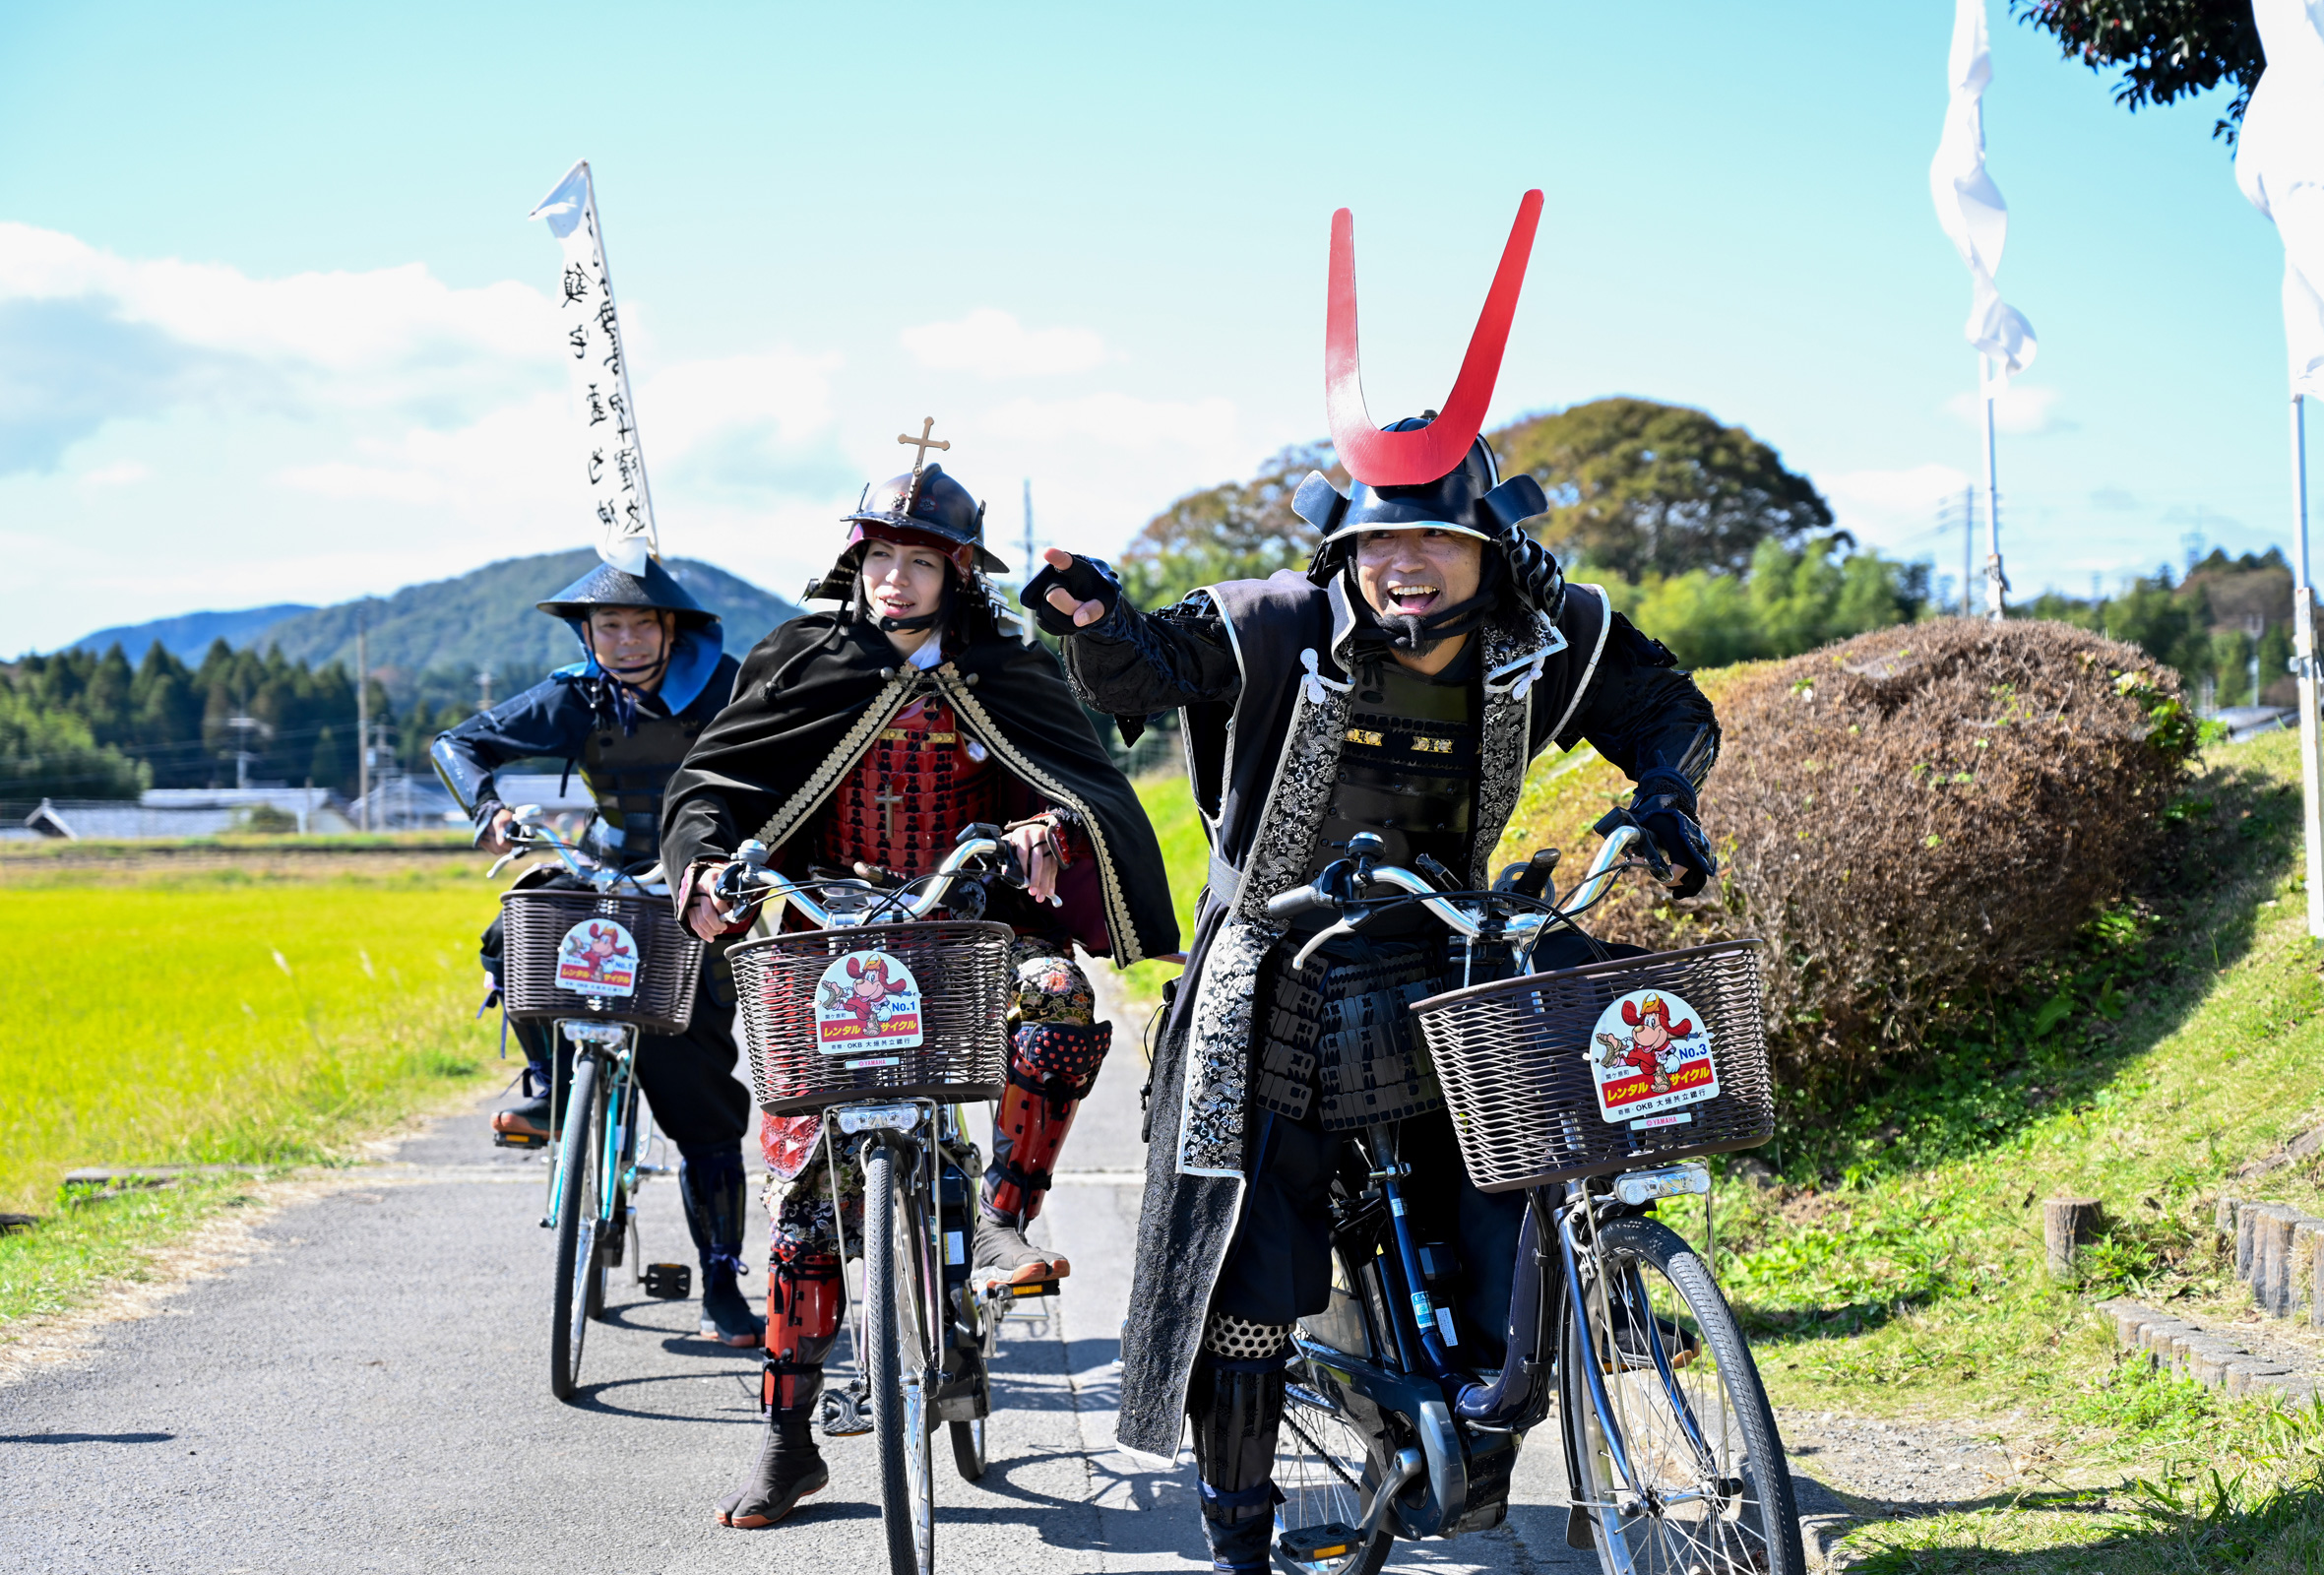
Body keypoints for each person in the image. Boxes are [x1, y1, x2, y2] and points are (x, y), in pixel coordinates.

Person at [1030, 192, 1724, 1573]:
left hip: (1449, 964)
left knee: (1512, 1215)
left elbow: (1667, 710)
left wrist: (1667, 793)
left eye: (1436, 541)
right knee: (1249, 1273)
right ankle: (1239, 1532)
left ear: (1486, 547)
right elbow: (1147, 676)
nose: (1405, 566)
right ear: (1345, 553)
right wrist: (1100, 623)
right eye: (1378, 544)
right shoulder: (1271, 625)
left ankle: (1479, 1422)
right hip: (1272, 978)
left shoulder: (1547, 636)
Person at [658, 449, 1178, 1528]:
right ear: (854, 561)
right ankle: (789, 1439)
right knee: (805, 1208)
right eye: (880, 557)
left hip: (970, 929)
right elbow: (716, 779)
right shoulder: (801, 655)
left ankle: (1001, 1215)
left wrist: (1051, 824)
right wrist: (707, 864)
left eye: (920, 563)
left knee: (1061, 1002)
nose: (895, 580)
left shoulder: (1006, 665)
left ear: (958, 573)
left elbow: (1079, 781)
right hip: (829, 938)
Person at [429, 555, 762, 1348]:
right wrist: (491, 810)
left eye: (640, 622)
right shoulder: (577, 693)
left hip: (698, 883)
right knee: (518, 932)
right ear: (587, 633)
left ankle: (721, 1279)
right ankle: (549, 1084)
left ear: (672, 627)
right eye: (606, 625)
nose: (623, 639)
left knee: (702, 1108)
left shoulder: (729, 687)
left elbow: (783, 765)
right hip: (606, 864)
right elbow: (459, 744)